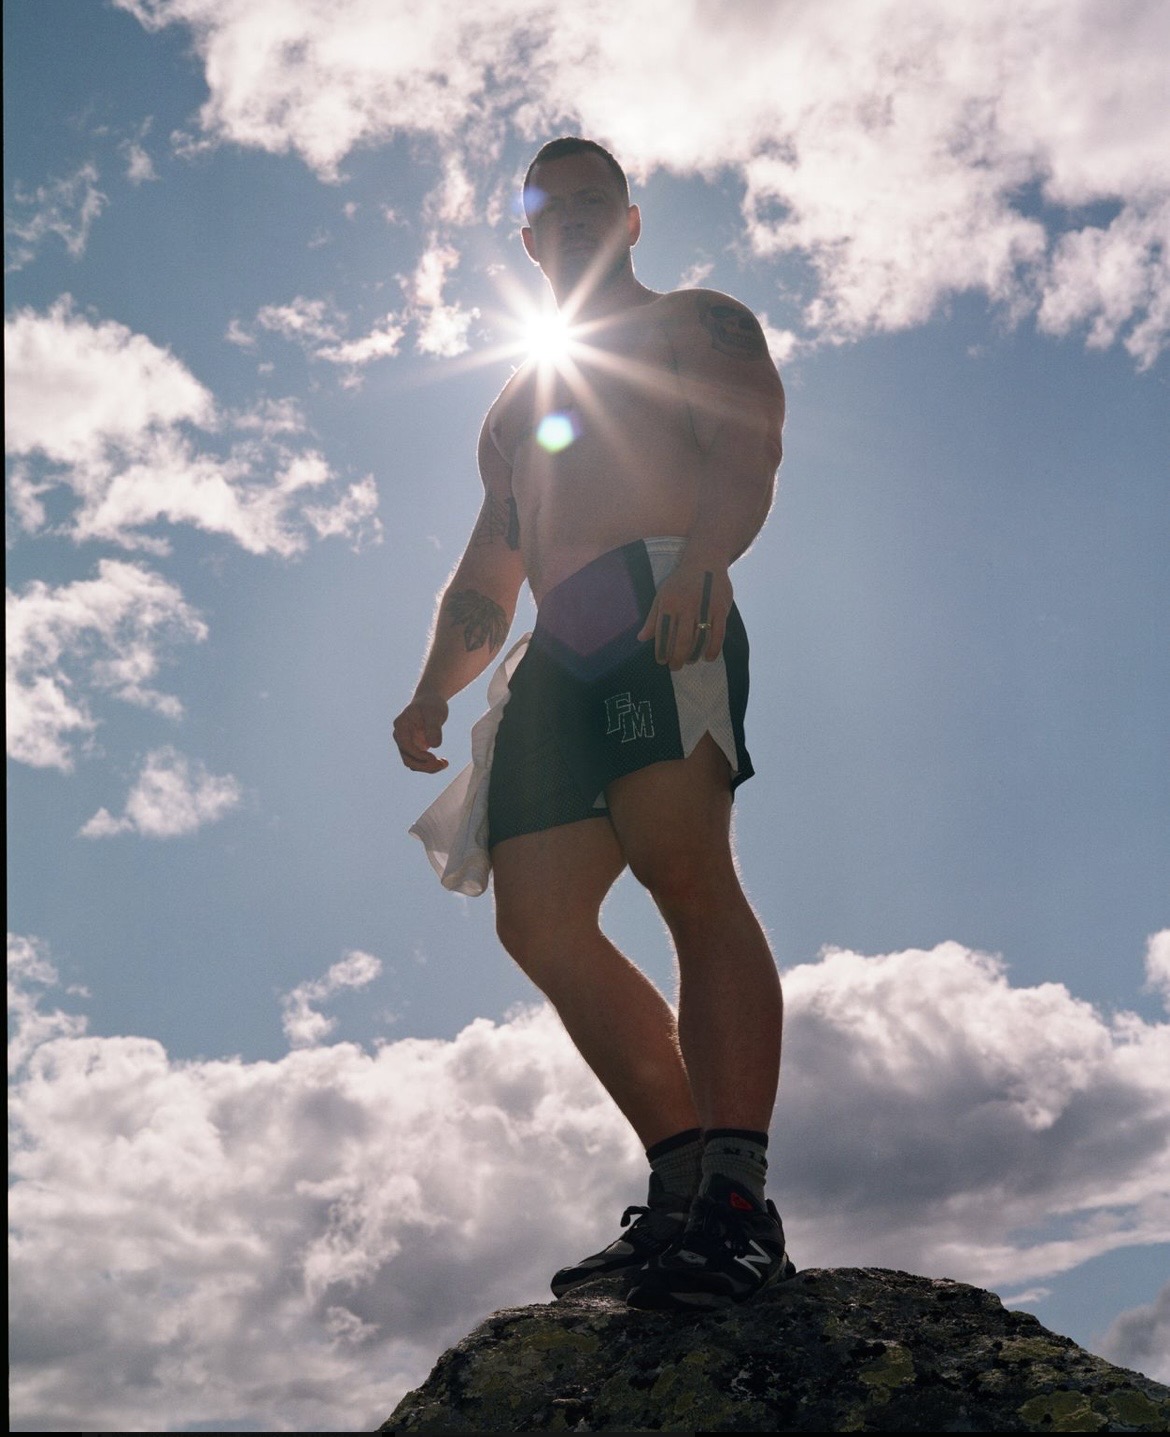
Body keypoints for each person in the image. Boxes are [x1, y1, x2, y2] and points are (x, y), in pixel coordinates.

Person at [393, 137, 792, 1311]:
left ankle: (737, 1205)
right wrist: (434, 685)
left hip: (659, 591)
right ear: (526, 240)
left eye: (590, 200)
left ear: (628, 219)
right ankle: (681, 1187)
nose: (570, 218)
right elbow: (493, 560)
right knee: (539, 919)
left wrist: (704, 561)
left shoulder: (695, 324)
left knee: (685, 867)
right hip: (555, 651)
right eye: (548, 207)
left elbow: (749, 448)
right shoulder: (513, 404)